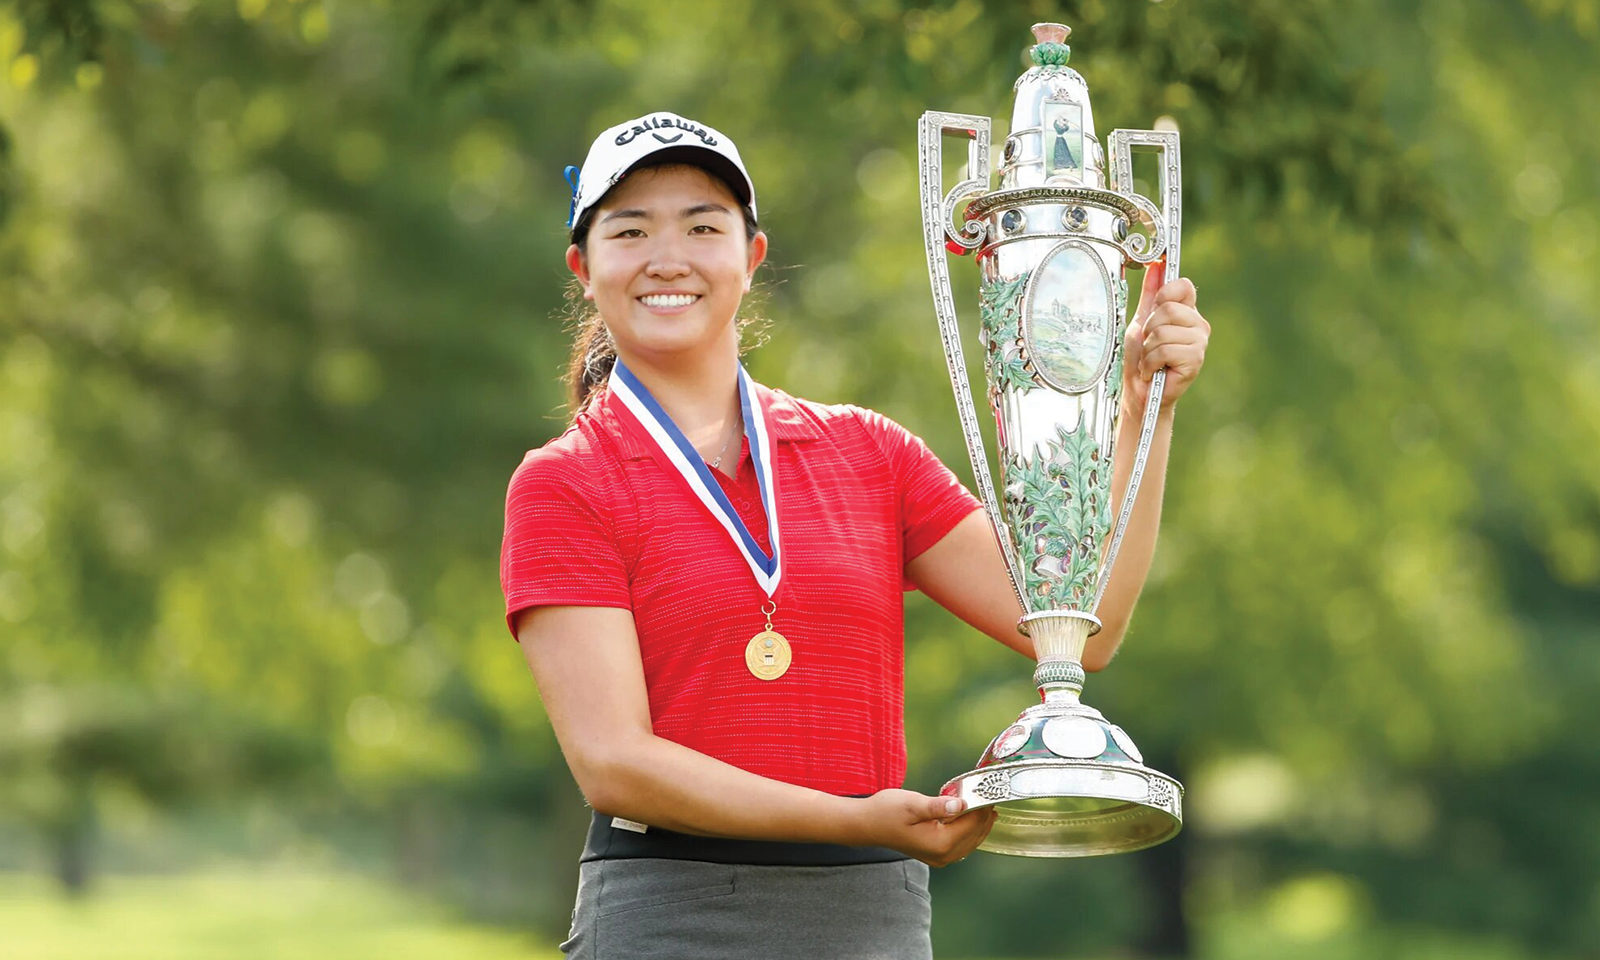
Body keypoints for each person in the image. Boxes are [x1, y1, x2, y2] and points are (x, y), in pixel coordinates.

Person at [500, 111, 1210, 960]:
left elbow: (1082, 625)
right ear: (584, 268)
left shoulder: (869, 454)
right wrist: (853, 819)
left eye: (702, 225)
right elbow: (615, 764)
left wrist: (1145, 411)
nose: (668, 256)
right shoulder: (565, 481)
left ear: (751, 256)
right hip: (672, 917)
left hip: (868, 919)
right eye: (631, 229)